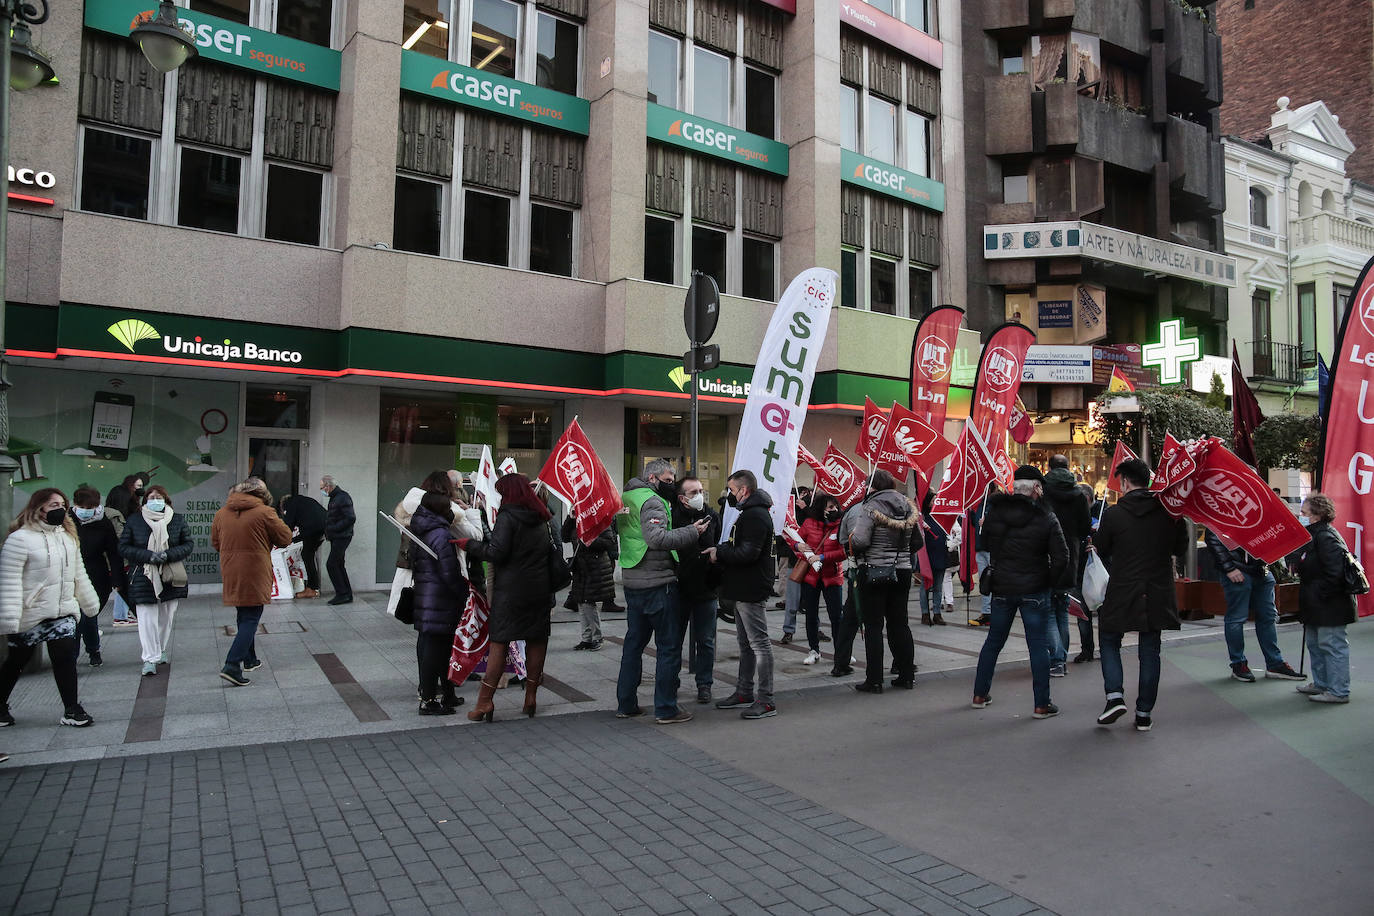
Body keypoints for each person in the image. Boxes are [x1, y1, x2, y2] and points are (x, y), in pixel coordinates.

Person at [1092, 458, 1188, 731]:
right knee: (1150, 650)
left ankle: (1114, 696)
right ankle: (1144, 712)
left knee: (1109, 638)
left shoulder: (1114, 514)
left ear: (1124, 483)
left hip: (1123, 588)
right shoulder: (1169, 512)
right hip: (1158, 589)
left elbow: (1103, 548)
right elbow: (1179, 548)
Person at [612, 460, 707, 724]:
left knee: (633, 645)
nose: (672, 483)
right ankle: (666, 708)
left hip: (633, 581)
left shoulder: (626, 496)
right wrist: (692, 531)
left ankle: (626, 703)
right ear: (653, 478)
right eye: (668, 479)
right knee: (668, 648)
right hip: (657, 583)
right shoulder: (651, 502)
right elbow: (656, 539)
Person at [971, 466, 1068, 718]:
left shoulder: (995, 512)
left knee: (993, 641)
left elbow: (986, 543)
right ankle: (1041, 704)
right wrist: (1050, 580)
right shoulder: (1046, 516)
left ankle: (979, 694)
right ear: (1037, 488)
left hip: (1002, 586)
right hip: (1035, 588)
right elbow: (1062, 556)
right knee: (1037, 645)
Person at [458, 474, 555, 721]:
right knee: (536, 640)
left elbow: (496, 553)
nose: (500, 497)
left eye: (502, 493)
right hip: (539, 589)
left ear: (509, 493)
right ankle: (530, 697)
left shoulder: (508, 516)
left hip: (511, 592)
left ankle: (484, 703)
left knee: (499, 642)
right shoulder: (542, 516)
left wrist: (468, 545)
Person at [0, 489, 100, 728]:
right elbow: (9, 580)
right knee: (16, 661)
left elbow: (78, 574)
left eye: (62, 504)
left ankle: (72, 709)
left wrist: (89, 603)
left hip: (62, 609)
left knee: (65, 657)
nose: (60, 508)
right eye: (53, 504)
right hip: (31, 612)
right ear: (39, 507)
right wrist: (10, 619)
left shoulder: (67, 536)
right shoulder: (20, 539)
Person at [706, 470, 778, 718]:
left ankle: (766, 699)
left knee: (759, 644)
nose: (729, 495)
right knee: (745, 644)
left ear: (743, 491)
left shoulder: (755, 516)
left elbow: (748, 553)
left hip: (751, 587)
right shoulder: (749, 514)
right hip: (742, 586)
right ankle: (744, 691)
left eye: (731, 490)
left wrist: (720, 553)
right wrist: (724, 548)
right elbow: (741, 546)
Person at [211, 478, 293, 687]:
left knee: (243, 614)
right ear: (262, 494)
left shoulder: (221, 513)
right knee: (251, 618)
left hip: (231, 570)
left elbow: (216, 543)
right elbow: (285, 538)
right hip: (255, 570)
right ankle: (232, 664)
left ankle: (250, 659)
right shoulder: (265, 512)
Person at [846, 469, 918, 692]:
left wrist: (852, 538)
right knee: (900, 623)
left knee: (874, 626)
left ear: (872, 486)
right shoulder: (908, 506)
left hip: (875, 571)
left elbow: (860, 540)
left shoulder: (870, 507)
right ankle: (906, 675)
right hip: (903, 570)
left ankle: (874, 679)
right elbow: (917, 542)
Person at [1204, 527, 1305, 683]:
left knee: (1266, 616)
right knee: (1239, 618)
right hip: (1244, 568)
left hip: (1258, 568)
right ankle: (1241, 663)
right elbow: (1213, 537)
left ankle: (1271, 663)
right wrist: (1229, 568)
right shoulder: (1227, 508)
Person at [119, 484, 194, 678]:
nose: (154, 500)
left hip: (170, 574)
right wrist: (148, 556)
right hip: (143, 574)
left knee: (166, 617)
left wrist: (168, 554)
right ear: (145, 502)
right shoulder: (134, 520)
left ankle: (160, 648)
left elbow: (188, 544)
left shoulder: (177, 519)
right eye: (151, 497)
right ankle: (149, 658)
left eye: (158, 497)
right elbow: (124, 547)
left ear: (166, 500)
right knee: (146, 619)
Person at [409, 491, 471, 714]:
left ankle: (448, 694)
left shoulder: (420, 529)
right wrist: (464, 591)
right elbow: (449, 572)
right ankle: (429, 700)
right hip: (440, 600)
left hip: (426, 595)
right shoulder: (440, 534)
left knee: (436, 649)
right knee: (436, 652)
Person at [1295, 493, 1355, 704]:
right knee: (1316, 644)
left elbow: (1335, 573)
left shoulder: (1325, 536)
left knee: (1331, 645)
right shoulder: (1317, 535)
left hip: (1327, 603)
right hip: (1319, 602)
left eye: (1304, 512)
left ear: (1317, 515)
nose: (1300, 515)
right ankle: (1323, 683)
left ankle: (1338, 690)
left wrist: (1320, 595)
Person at [672, 476, 721, 703]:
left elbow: (716, 545)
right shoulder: (672, 517)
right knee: (673, 641)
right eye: (694, 492)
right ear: (682, 498)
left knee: (706, 641)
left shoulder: (712, 516)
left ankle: (704, 684)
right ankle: (671, 682)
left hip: (706, 589)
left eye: (701, 490)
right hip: (678, 589)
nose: (699, 495)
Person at [1042, 454, 1091, 675]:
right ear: (1068, 467)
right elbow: (1084, 528)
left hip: (1047, 553)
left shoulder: (1042, 490)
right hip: (1071, 555)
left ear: (1050, 468)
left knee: (1051, 610)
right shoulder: (1079, 494)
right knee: (1062, 609)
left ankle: (1058, 659)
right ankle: (1062, 656)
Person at [70, 485, 126, 668]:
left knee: (89, 614)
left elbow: (114, 553)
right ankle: (75, 655)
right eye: (83, 507)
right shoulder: (66, 521)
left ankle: (93, 649)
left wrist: (117, 580)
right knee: (77, 617)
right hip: (71, 576)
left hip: (97, 576)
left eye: (90, 508)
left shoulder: (103, 523)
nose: (86, 512)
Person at [798, 493, 846, 665]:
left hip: (832, 576)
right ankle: (814, 650)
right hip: (811, 577)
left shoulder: (840, 525)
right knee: (811, 614)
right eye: (830, 507)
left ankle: (842, 651)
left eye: (835, 507)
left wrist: (823, 557)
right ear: (821, 509)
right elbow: (796, 541)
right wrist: (799, 547)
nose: (834, 510)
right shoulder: (809, 523)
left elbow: (844, 552)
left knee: (837, 616)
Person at [562, 514, 616, 651]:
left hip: (595, 566)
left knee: (588, 602)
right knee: (581, 601)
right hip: (581, 567)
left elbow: (609, 541)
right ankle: (586, 638)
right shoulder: (576, 519)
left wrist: (590, 540)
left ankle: (597, 637)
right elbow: (564, 536)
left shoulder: (599, 517)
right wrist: (570, 518)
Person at [778, 486, 811, 641]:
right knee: (792, 599)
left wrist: (806, 509)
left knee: (812, 600)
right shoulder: (787, 513)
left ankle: (814, 628)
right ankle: (788, 630)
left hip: (811, 560)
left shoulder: (811, 511)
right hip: (795, 560)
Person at [281, 491, 326, 599]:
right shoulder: (304, 501)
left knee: (307, 555)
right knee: (308, 554)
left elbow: (288, 527)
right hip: (325, 526)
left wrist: (282, 541)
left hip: (313, 528)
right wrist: (294, 539)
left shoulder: (291, 505)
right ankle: (313, 587)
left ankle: (312, 588)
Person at [1073, 483, 1099, 662]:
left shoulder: (1103, 517)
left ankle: (1108, 647)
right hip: (1080, 571)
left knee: (1103, 611)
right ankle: (1087, 649)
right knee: (1082, 614)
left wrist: (1099, 547)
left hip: (1098, 572)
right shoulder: (1075, 518)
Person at [320, 475, 355, 605]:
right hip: (338, 536)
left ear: (328, 486)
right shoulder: (336, 497)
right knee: (338, 564)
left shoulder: (342, 497)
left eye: (322, 487)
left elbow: (350, 518)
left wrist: (334, 529)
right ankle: (346, 594)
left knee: (332, 564)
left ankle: (342, 594)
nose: (322, 490)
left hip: (342, 536)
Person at [917, 491, 949, 627]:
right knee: (925, 586)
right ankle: (925, 614)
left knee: (938, 586)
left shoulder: (941, 516)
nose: (935, 502)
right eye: (933, 499)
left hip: (941, 553)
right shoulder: (921, 517)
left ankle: (937, 614)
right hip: (927, 555)